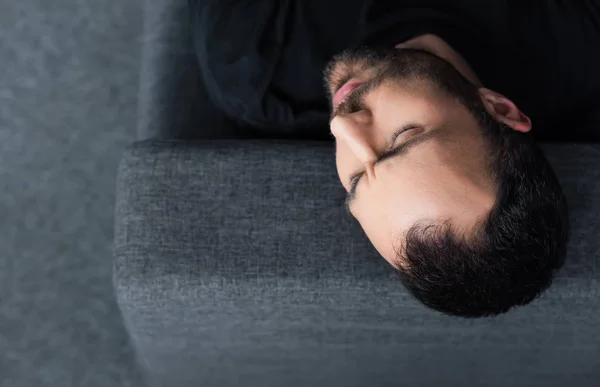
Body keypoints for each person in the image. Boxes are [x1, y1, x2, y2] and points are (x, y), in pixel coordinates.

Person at [189, 1, 600, 317]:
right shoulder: (579, 39)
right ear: (500, 109)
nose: (342, 128)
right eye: (403, 139)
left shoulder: (256, 67)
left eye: (354, 182)